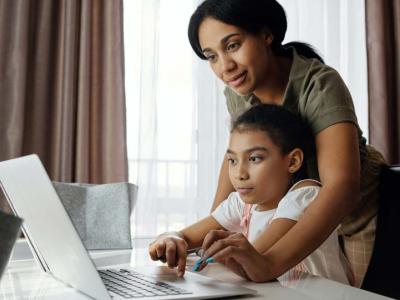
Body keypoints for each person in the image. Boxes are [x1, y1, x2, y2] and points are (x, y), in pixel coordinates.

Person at [187, 0, 386, 287]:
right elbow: (237, 154)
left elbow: (341, 186)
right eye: (211, 56)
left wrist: (268, 263)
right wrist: (211, 237)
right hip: (293, 214)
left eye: (232, 46)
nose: (225, 66)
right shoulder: (237, 90)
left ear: (266, 35)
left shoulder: (319, 84)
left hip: (355, 216)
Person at [149, 104, 353, 284]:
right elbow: (186, 236)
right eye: (233, 160)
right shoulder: (243, 204)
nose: (239, 174)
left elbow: (255, 260)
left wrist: (215, 249)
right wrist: (170, 239)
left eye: (254, 159)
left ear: (292, 161)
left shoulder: (305, 196)